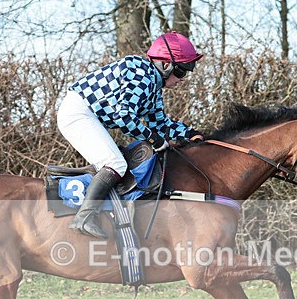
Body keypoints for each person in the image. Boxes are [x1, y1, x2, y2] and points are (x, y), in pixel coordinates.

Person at [57, 32, 205, 239]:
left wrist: (189, 134)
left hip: (86, 114)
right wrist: (154, 139)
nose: (182, 79)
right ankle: (84, 218)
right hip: (78, 113)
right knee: (115, 163)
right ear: (165, 65)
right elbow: (124, 117)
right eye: (181, 71)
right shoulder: (140, 74)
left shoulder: (152, 84)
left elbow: (159, 123)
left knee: (117, 162)